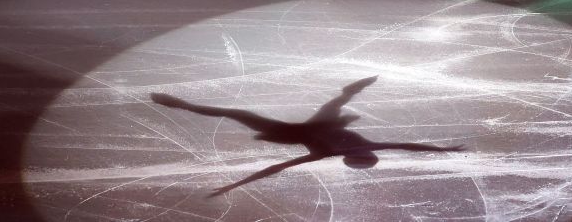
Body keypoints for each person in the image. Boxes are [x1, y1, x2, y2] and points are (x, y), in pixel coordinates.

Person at [151, 76, 463, 196]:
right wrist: (443, 149)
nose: (355, 149)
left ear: (353, 157)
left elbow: (275, 169)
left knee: (236, 113)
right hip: (316, 127)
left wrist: (233, 185)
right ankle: (350, 91)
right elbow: (406, 146)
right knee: (337, 103)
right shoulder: (364, 146)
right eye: (361, 153)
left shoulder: (329, 153)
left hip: (293, 133)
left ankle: (184, 106)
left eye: (355, 153)